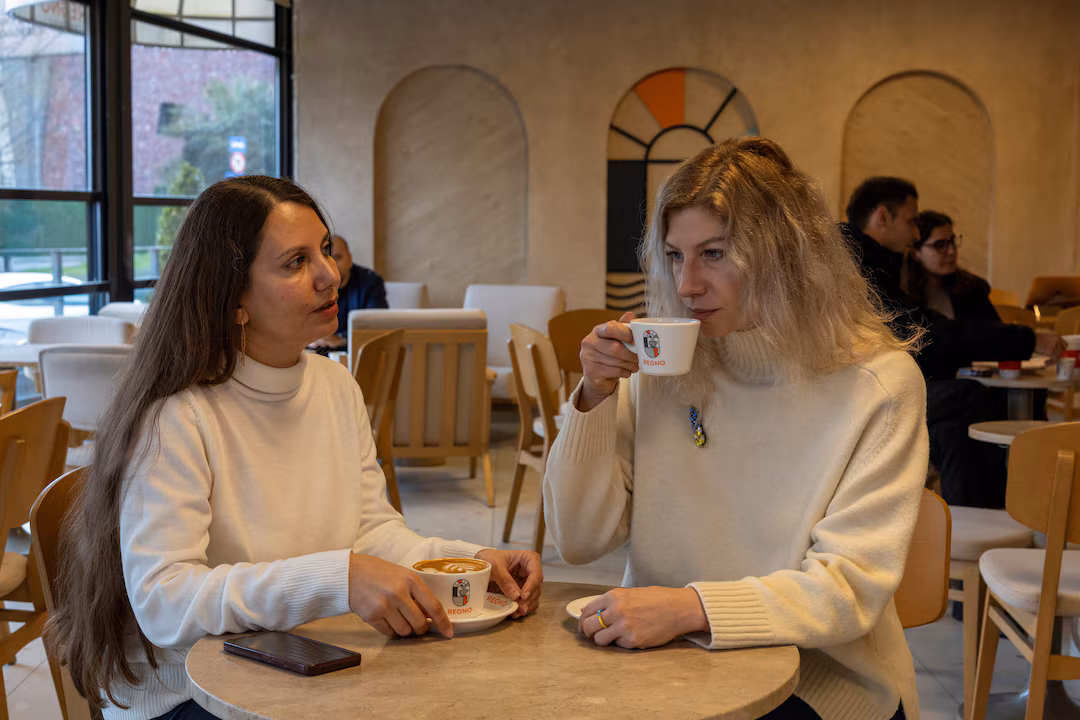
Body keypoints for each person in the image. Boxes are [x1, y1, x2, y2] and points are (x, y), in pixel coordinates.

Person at [43, 177, 542, 720]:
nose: (330, 275)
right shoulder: (176, 415)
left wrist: (466, 563)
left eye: (325, 250)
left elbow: (372, 530)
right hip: (187, 695)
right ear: (234, 298)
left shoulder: (334, 386)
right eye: (295, 262)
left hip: (297, 670)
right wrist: (338, 578)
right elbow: (166, 600)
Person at [544, 138, 926, 720]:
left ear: (785, 255)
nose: (688, 283)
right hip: (667, 661)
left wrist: (689, 607)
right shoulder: (663, 365)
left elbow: (845, 590)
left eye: (715, 254)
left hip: (819, 682)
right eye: (675, 256)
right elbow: (577, 541)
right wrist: (594, 397)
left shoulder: (877, 384)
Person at [842, 185, 1059, 508]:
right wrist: (1026, 339)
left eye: (951, 242)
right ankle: (1008, 511)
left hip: (871, 388)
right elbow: (926, 335)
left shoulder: (868, 260)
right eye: (912, 221)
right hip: (859, 396)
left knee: (952, 432)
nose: (915, 233)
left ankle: (966, 531)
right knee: (969, 398)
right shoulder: (858, 264)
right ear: (882, 217)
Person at [308, 235, 388, 351]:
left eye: (337, 257)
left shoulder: (370, 282)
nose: (332, 265)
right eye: (326, 259)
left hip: (358, 354)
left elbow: (378, 329)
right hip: (319, 354)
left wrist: (342, 340)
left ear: (350, 259)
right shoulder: (311, 284)